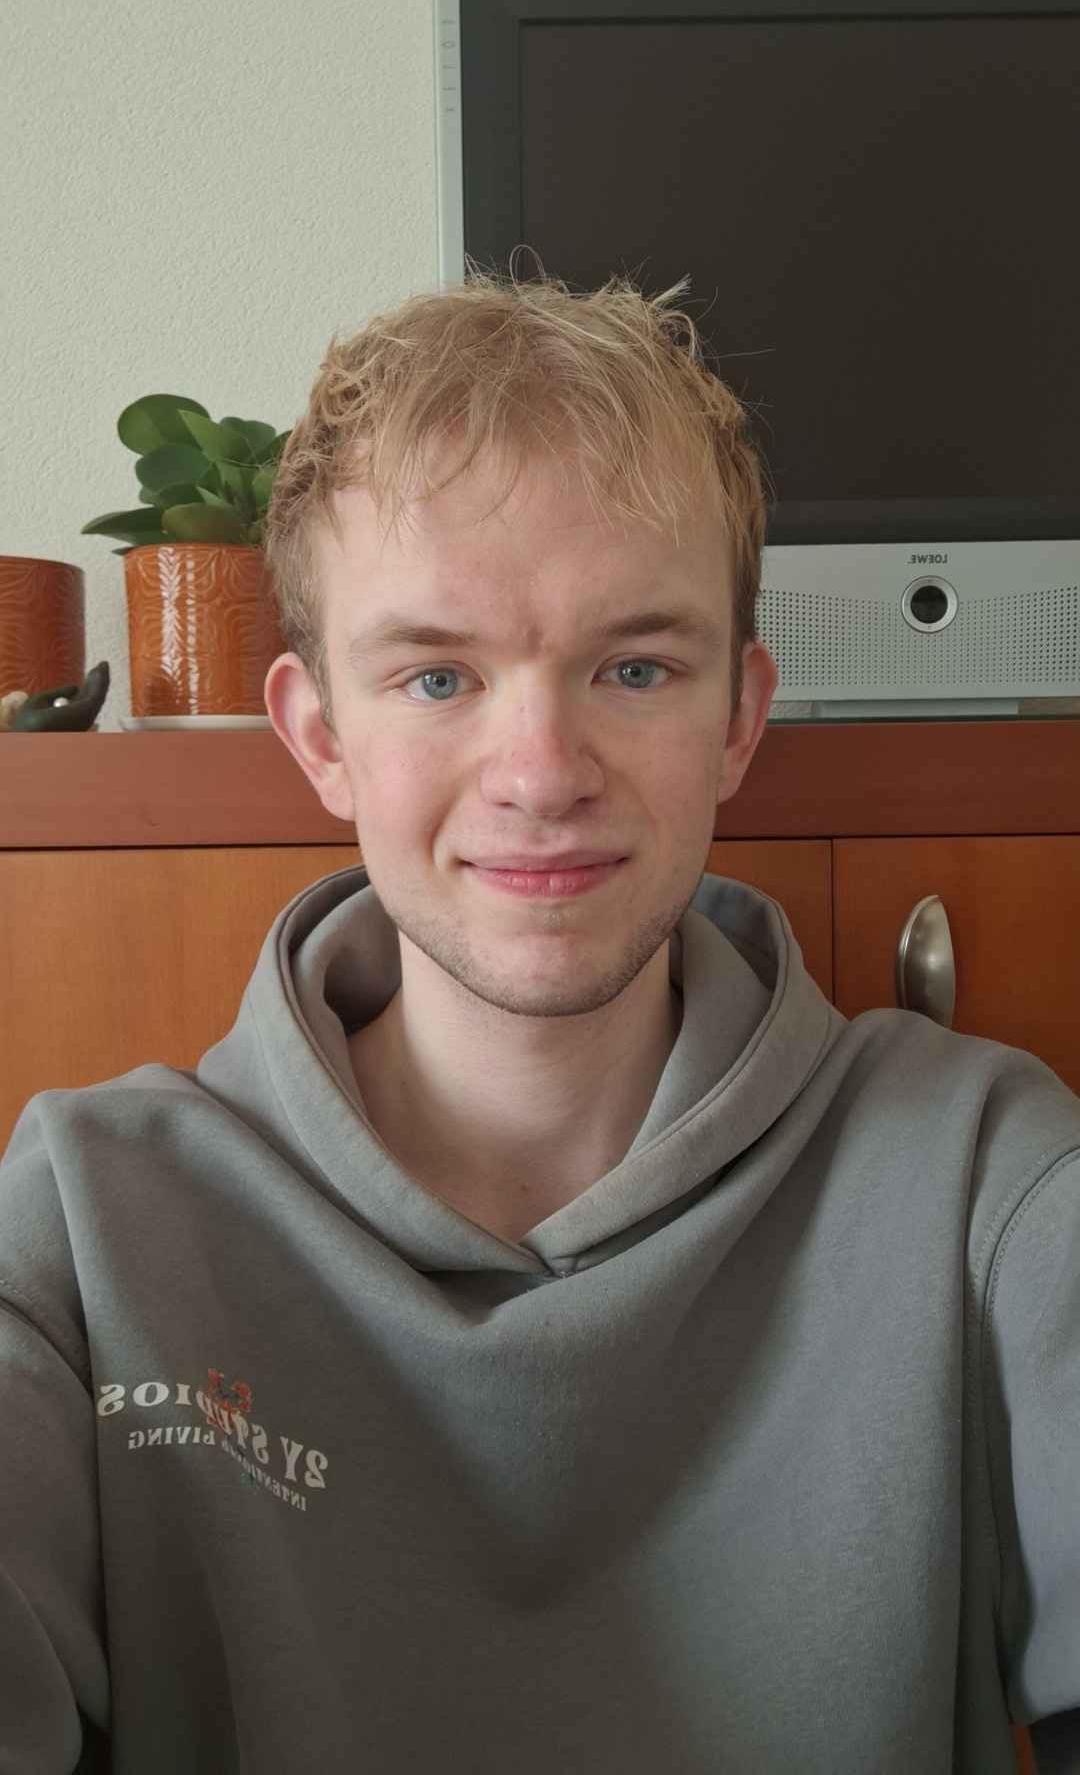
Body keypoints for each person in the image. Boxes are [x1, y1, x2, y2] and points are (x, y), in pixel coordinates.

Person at [1, 267, 1077, 1775]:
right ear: (320, 736)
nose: (540, 769)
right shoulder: (78, 1225)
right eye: (437, 674)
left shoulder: (996, 1187)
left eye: (632, 667)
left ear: (739, 719)